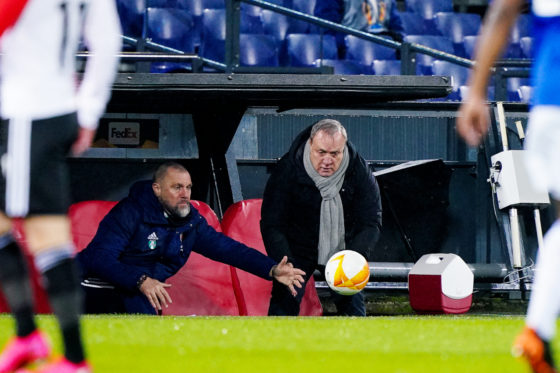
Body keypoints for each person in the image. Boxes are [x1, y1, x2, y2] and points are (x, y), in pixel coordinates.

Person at [0, 0, 121, 372]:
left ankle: (69, 355)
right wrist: (86, 110)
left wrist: (86, 110)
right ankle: (33, 338)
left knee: (45, 235)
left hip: (27, 114)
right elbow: (108, 38)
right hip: (40, 110)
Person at [456, 0, 559, 372]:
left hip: (550, 106)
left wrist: (475, 91)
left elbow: (502, 11)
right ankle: (538, 331)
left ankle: (538, 332)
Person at [76, 162, 306, 315]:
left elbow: (228, 249)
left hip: (140, 288)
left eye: (188, 187)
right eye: (177, 187)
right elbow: (100, 258)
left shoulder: (190, 222)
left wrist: (272, 269)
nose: (185, 193)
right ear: (157, 189)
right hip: (95, 284)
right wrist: (141, 280)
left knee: (148, 334)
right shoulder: (130, 212)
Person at [261, 119, 382, 316]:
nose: (327, 160)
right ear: (310, 145)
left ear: (343, 149)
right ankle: (276, 344)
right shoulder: (288, 168)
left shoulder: (358, 169)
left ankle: (358, 345)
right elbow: (272, 223)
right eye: (321, 152)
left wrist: (355, 257)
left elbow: (371, 220)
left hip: (342, 247)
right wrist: (285, 261)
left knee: (353, 309)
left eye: (335, 154)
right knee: (284, 300)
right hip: (297, 247)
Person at [314, 0, 403, 57]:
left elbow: (397, 28)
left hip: (383, 50)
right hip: (347, 52)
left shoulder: (389, 1)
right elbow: (327, 29)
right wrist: (351, 42)